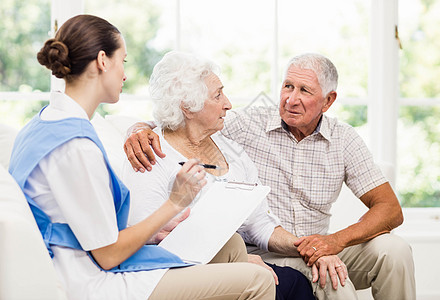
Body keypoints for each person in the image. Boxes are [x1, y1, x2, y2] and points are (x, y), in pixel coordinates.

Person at [8, 15, 276, 300]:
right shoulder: (76, 148)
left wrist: (151, 234)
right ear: (102, 61)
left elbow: (81, 224)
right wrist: (175, 202)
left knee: (232, 245)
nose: (124, 74)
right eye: (123, 61)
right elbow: (108, 254)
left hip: (81, 258)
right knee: (257, 279)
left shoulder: (44, 124)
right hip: (91, 281)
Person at [124, 53, 416, 300]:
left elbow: (390, 209)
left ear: (328, 101)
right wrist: (138, 130)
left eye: (305, 91)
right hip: (267, 252)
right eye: (288, 86)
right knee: (333, 281)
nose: (291, 99)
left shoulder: (344, 139)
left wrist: (334, 242)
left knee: (394, 250)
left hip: (311, 244)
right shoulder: (247, 125)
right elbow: (182, 120)